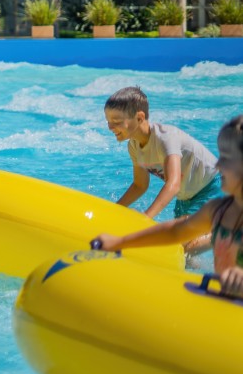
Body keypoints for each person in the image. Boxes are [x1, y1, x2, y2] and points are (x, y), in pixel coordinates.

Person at [94, 116, 243, 299]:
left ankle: (214, 234)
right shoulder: (217, 210)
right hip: (223, 304)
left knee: (188, 248)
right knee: (184, 249)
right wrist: (119, 242)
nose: (218, 165)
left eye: (228, 159)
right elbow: (175, 231)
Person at [103, 86, 220, 226]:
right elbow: (140, 185)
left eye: (116, 122)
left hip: (214, 187)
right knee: (175, 243)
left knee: (186, 243)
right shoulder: (134, 146)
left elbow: (173, 183)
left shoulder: (165, 138)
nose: (110, 127)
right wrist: (114, 210)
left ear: (139, 117)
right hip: (186, 198)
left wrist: (146, 217)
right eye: (108, 122)